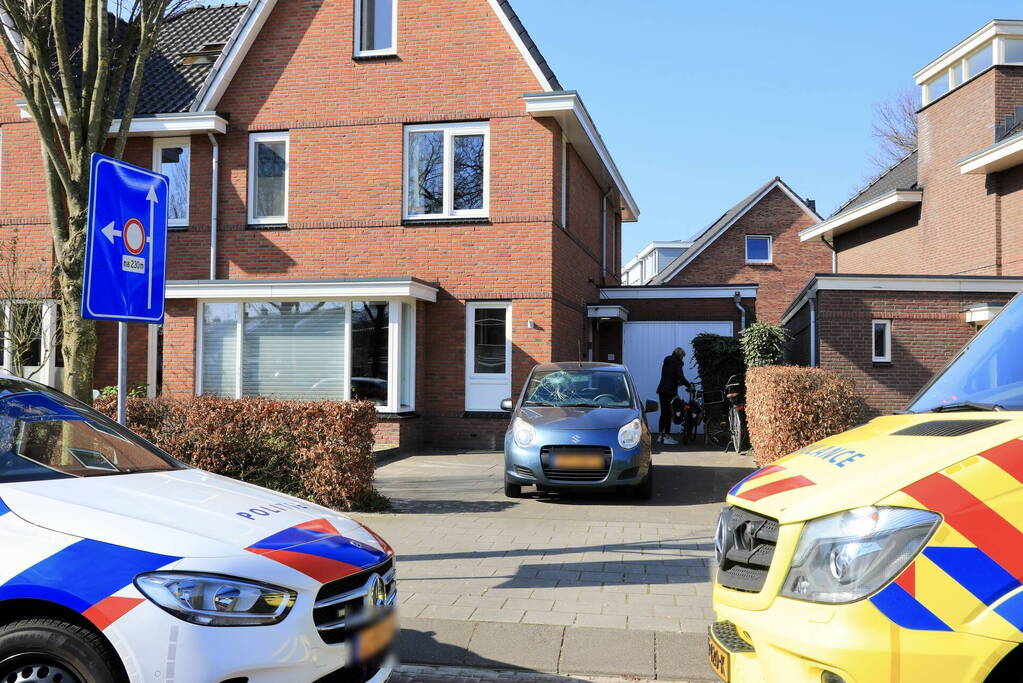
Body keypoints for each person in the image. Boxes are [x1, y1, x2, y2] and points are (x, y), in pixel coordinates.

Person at [656, 347, 693, 445]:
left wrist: (677, 382)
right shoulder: (678, 362)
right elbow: (680, 376)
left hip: (662, 389)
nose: (683, 359)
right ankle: (667, 436)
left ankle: (660, 436)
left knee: (663, 413)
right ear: (680, 355)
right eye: (683, 357)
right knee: (669, 413)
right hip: (670, 391)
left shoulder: (667, 360)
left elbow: (669, 376)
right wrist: (689, 385)